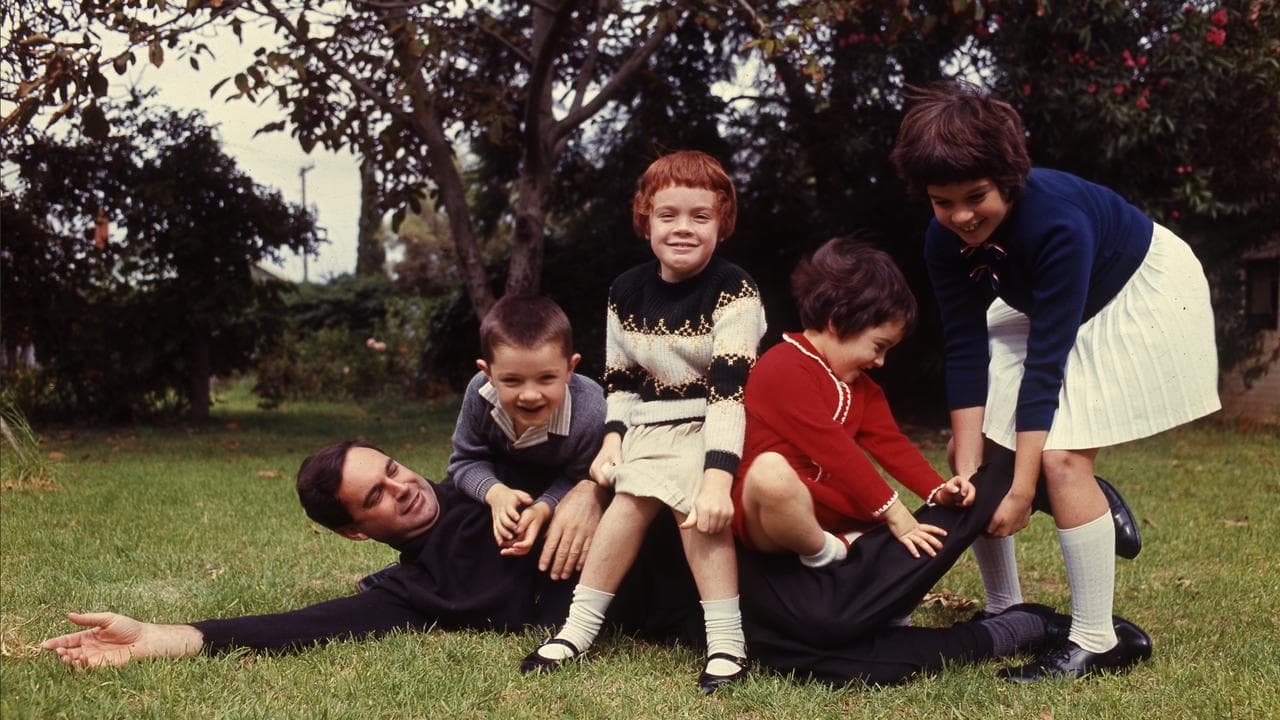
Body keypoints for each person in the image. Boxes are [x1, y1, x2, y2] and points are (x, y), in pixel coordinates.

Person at [890, 80, 1217, 681]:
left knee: (1062, 459)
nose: (961, 216)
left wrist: (1021, 490)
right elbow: (965, 347)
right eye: (942, 201)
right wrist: (971, 472)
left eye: (976, 197)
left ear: (1008, 180)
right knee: (971, 451)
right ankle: (1006, 609)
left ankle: (1097, 640)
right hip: (1043, 305)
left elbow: (1047, 364)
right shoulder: (944, 238)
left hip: (1132, 291)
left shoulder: (1057, 223)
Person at [726, 238, 1131, 685]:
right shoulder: (783, 366)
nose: (881, 361)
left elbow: (891, 444)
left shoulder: (860, 387)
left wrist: (937, 490)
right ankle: (1010, 599)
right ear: (838, 321)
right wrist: (896, 514)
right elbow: (835, 451)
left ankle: (1029, 483)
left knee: (945, 513)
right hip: (779, 537)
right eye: (878, 346)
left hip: (844, 537)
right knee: (772, 474)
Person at [41, 441, 700, 668]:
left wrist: (587, 488)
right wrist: (159, 637)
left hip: (698, 541)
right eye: (376, 496)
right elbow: (301, 626)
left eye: (391, 469)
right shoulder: (413, 591)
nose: (403, 486)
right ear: (357, 532)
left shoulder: (496, 475)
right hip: (678, 620)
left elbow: (615, 434)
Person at [520, 150, 767, 693]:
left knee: (692, 506)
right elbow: (622, 381)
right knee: (627, 502)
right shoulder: (625, 291)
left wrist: (717, 478)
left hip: (714, 425)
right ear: (645, 220)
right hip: (650, 428)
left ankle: (727, 641)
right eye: (667, 215)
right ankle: (578, 628)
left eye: (700, 216)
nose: (683, 228)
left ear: (722, 223)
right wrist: (612, 442)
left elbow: (730, 392)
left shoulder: (735, 289)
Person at [448, 293, 606, 571]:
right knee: (452, 508)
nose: (530, 395)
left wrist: (543, 508)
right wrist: (495, 493)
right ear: (488, 374)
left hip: (557, 491)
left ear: (570, 368)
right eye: (512, 380)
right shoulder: (479, 392)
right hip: (501, 483)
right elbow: (465, 461)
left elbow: (580, 479)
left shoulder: (591, 411)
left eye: (546, 378)